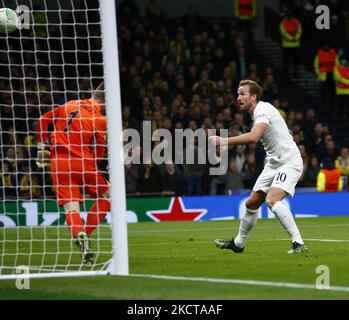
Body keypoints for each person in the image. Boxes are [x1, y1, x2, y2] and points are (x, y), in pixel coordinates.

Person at [209, 80, 307, 254]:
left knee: (272, 200)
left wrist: (224, 141)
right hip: (274, 163)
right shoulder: (257, 113)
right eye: (238, 94)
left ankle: (298, 243)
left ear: (253, 97)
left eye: (243, 94)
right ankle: (238, 244)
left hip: (289, 161)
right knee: (252, 203)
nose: (238, 97)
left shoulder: (263, 110)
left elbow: (254, 137)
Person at [36, 82, 110, 264]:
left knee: (71, 209)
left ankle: (80, 234)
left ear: (93, 93)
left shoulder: (69, 104)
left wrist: (41, 147)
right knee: (109, 196)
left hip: (59, 163)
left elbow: (42, 120)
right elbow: (99, 152)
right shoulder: (100, 119)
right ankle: (87, 233)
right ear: (108, 102)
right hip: (83, 163)